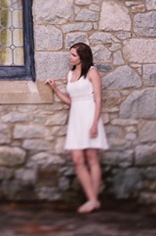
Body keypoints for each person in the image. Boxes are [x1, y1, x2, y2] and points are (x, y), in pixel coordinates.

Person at [45, 42, 108, 214]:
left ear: (82, 58)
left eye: (73, 55)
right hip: (75, 118)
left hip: (89, 117)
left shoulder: (92, 72)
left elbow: (99, 100)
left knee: (92, 159)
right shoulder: (70, 74)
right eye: (70, 54)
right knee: (78, 160)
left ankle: (92, 200)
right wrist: (55, 89)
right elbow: (71, 101)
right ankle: (93, 200)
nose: (69, 57)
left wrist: (94, 124)